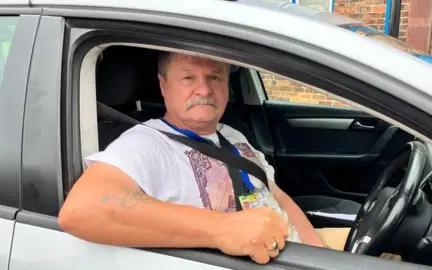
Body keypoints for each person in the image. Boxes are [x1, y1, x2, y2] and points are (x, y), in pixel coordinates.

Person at [58, 51, 351, 264]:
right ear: (163, 85)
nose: (204, 89)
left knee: (393, 247)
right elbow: (81, 210)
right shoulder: (145, 144)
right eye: (188, 78)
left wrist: (318, 252)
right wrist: (223, 229)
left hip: (297, 250)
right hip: (255, 259)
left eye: (215, 77)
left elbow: (277, 196)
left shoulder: (233, 135)